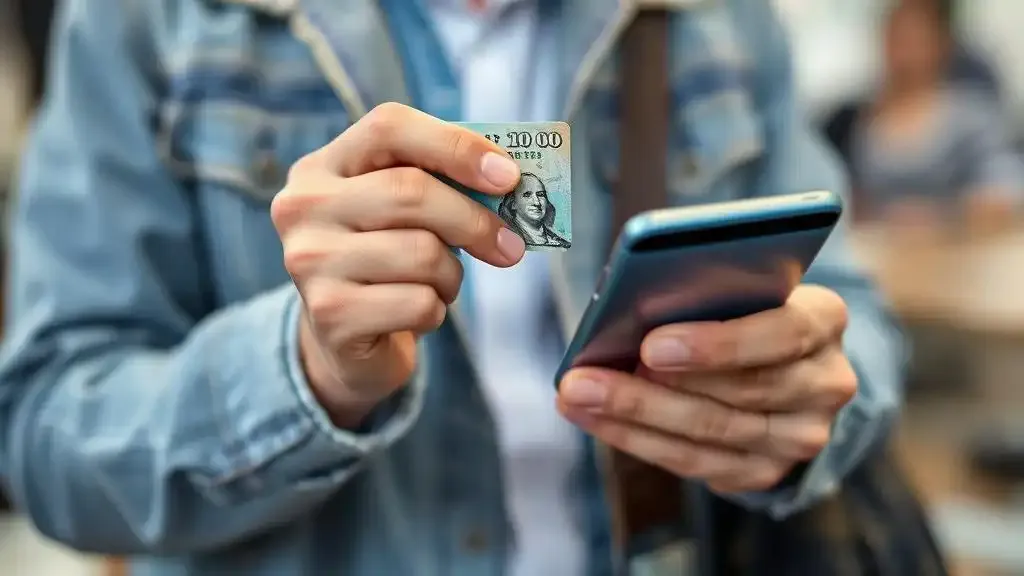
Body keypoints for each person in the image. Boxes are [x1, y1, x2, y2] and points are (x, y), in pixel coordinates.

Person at [0, 1, 905, 575]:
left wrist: (801, 407)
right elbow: (45, 438)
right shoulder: (148, 21)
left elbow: (853, 321)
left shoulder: (721, 19)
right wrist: (304, 373)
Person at [831, 0, 1022, 229]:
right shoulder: (851, 120)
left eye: (914, 36)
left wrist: (940, 215)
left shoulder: (971, 116)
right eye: (894, 34)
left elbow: (1003, 194)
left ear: (940, 42)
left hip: (955, 249)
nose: (901, 49)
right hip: (877, 249)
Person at [497, 172, 571, 248]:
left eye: (540, 194)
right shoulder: (506, 240)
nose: (537, 202)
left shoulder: (562, 244)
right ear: (513, 203)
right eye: (527, 195)